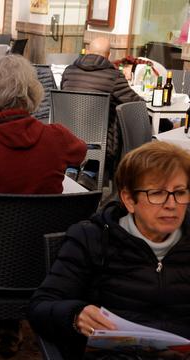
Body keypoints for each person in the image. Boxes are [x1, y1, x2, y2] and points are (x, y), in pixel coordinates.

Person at [0, 55, 86, 357]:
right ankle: (9, 326)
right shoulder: (57, 136)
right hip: (47, 260)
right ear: (33, 94)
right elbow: (82, 153)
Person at [29, 141, 190, 359]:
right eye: (158, 193)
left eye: (179, 192)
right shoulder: (93, 239)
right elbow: (40, 307)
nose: (171, 204)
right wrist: (75, 315)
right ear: (129, 200)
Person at [61, 37, 142, 189]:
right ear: (108, 55)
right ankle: (90, 173)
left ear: (88, 51)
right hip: (98, 140)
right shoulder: (113, 76)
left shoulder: (69, 71)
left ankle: (72, 169)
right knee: (114, 120)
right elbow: (134, 102)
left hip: (67, 135)